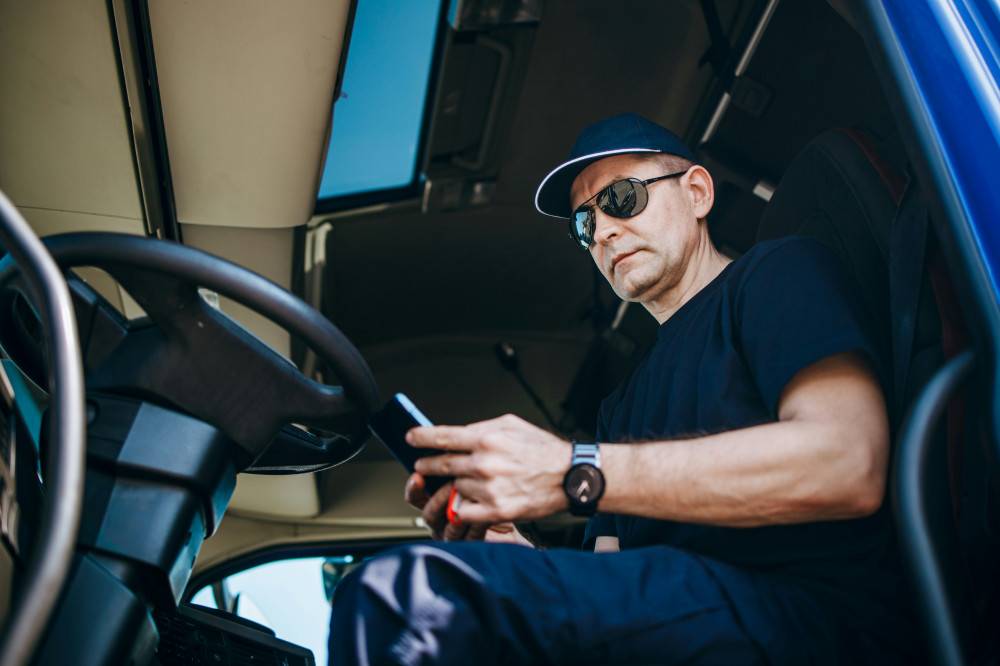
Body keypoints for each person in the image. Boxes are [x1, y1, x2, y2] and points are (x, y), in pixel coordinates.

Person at [328, 113, 919, 665]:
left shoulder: (777, 274)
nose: (604, 231)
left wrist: (571, 471)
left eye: (621, 198)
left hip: (813, 622)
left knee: (406, 596)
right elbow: (610, 576)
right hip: (686, 619)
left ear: (697, 193)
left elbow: (849, 462)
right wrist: (512, 552)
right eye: (584, 224)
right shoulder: (620, 406)